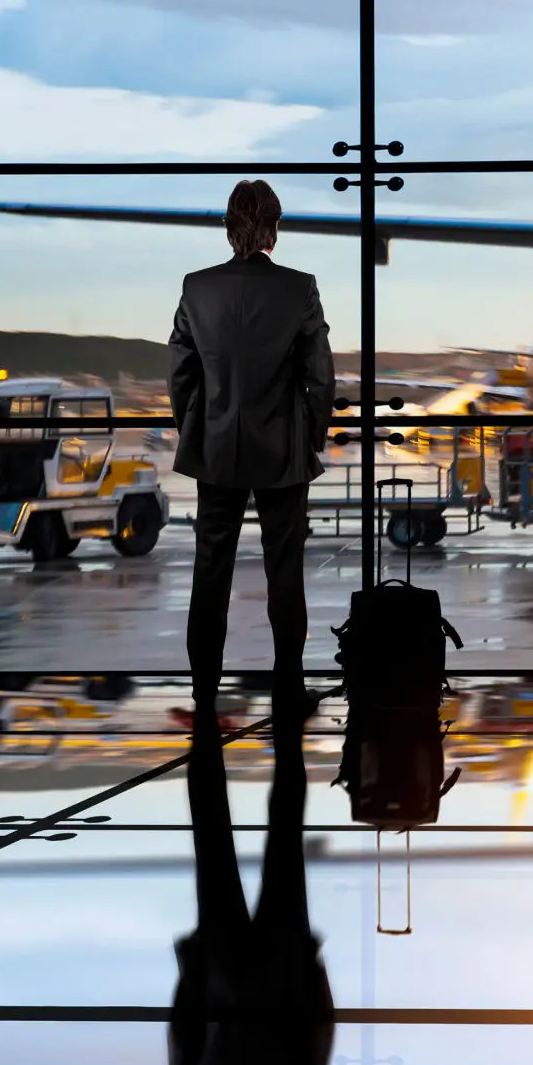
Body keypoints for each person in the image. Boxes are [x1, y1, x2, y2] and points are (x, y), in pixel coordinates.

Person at [169, 181, 335, 721]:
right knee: (284, 574)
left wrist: (199, 429)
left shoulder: (198, 287)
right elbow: (320, 378)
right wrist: (308, 441)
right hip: (282, 453)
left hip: (215, 450)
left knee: (210, 572)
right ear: (275, 227)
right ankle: (289, 687)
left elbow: (180, 375)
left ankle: (204, 692)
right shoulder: (299, 288)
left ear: (229, 226)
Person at [169, 710, 334, 1065]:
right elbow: (182, 1033)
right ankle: (204, 718)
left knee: (285, 829)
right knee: (211, 835)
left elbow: (319, 1032)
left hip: (283, 963)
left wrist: (312, 966)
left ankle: (291, 721)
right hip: (221, 967)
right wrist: (196, 967)